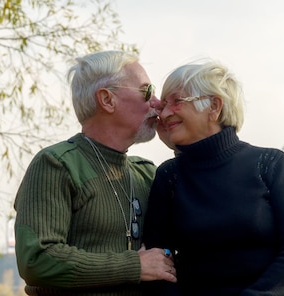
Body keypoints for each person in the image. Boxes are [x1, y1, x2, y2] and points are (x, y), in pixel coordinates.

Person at [143, 59, 284, 295]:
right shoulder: (169, 176)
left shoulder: (271, 164)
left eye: (177, 101)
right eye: (163, 104)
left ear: (214, 106)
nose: (164, 112)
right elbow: (159, 260)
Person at [14, 50, 177, 296]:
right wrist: (134, 265)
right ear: (107, 99)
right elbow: (37, 259)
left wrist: (180, 144)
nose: (157, 103)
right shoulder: (57, 165)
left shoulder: (148, 173)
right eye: (146, 91)